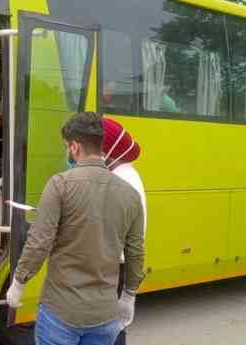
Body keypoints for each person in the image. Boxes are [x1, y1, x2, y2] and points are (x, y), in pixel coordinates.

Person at [5, 112, 145, 345]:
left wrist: (19, 282)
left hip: (61, 312)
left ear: (74, 146)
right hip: (105, 314)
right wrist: (129, 296)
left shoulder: (60, 185)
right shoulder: (129, 194)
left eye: (67, 146)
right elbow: (135, 251)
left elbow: (39, 242)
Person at [102, 118, 147, 345]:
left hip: (115, 267)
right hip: (119, 266)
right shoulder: (128, 174)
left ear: (107, 150)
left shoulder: (119, 180)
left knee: (111, 329)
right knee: (113, 327)